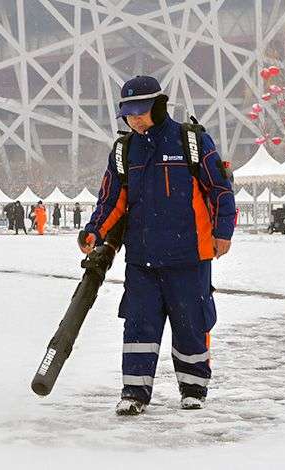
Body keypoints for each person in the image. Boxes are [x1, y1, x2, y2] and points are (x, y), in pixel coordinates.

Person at [78, 76, 236, 415]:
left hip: (189, 256)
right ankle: (134, 393)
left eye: (141, 112)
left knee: (191, 324)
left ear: (159, 106)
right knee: (139, 325)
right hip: (142, 259)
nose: (135, 120)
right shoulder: (124, 151)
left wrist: (223, 232)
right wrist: (94, 231)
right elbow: (111, 202)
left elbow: (220, 189)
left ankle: (193, 388)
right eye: (129, 114)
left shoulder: (190, 141)